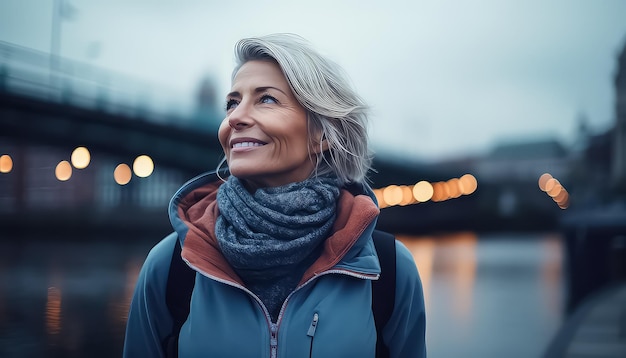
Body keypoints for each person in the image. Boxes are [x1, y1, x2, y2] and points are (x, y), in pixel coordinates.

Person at [123, 33, 426, 358]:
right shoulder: (172, 265)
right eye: (232, 102)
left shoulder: (390, 270)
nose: (234, 117)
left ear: (321, 134)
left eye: (266, 99)